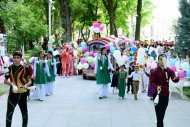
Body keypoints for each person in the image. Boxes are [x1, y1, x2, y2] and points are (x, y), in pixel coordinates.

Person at [150, 54, 179, 127]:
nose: (162, 61)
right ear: (158, 60)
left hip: (166, 95)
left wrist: (176, 78)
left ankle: (159, 125)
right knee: (159, 116)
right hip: (157, 95)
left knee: (162, 115)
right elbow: (151, 82)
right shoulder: (154, 71)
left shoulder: (169, 70)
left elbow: (174, 78)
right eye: (160, 59)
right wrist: (156, 86)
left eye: (163, 59)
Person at [4, 51, 31, 127]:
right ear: (13, 58)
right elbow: (5, 81)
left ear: (21, 58)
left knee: (24, 112)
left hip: (22, 94)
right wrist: (11, 84)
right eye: (14, 57)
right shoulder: (8, 69)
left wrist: (26, 85)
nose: (16, 59)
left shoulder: (25, 69)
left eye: (18, 57)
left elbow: (30, 81)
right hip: (12, 94)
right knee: (9, 113)